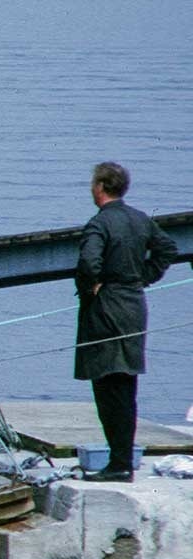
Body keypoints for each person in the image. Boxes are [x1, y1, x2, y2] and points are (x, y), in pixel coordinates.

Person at [74, 162, 179, 482]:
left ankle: (118, 463)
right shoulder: (140, 219)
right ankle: (122, 458)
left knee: (107, 387)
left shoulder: (99, 224)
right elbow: (168, 249)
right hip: (134, 306)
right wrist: (143, 278)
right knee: (126, 386)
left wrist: (91, 286)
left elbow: (88, 263)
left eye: (93, 183)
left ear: (101, 187)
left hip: (106, 309)